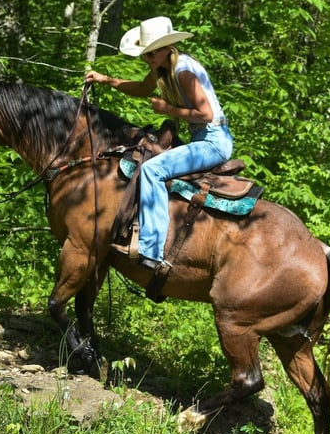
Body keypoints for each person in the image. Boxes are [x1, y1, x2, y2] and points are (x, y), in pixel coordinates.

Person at [85, 15, 233, 271]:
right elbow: (142, 88)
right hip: (203, 138)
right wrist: (106, 80)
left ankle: (151, 250)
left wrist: (168, 110)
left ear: (167, 48)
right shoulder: (163, 68)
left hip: (213, 141)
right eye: (145, 53)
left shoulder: (183, 71)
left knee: (153, 169)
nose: (147, 58)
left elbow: (206, 114)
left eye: (152, 52)